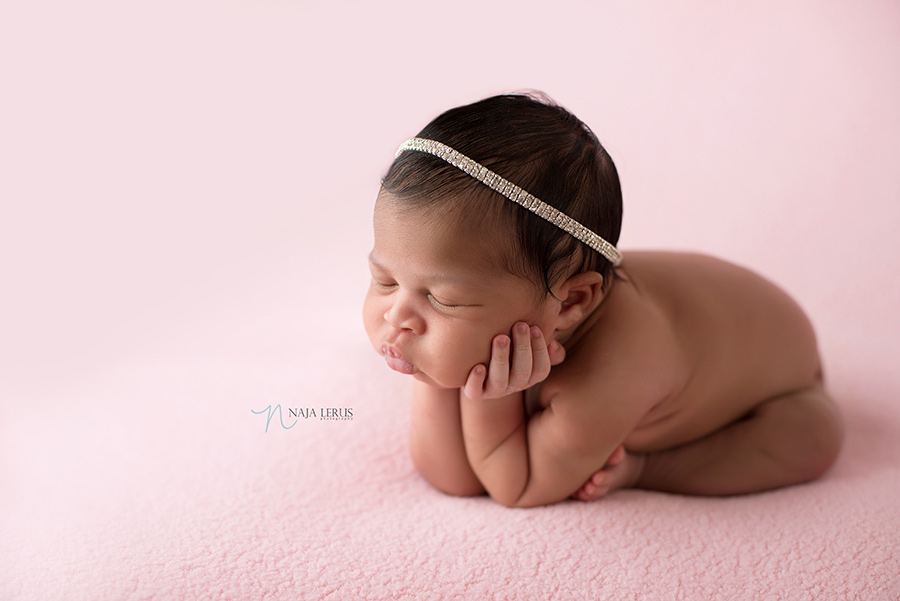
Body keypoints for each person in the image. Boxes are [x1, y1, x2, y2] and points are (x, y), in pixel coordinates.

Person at [362, 93, 843, 508]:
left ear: (571, 302)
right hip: (685, 314)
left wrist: (495, 398)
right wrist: (433, 373)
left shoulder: (613, 370)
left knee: (813, 440)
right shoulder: (514, 309)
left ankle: (646, 466)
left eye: (442, 299)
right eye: (384, 280)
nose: (397, 317)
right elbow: (452, 478)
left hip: (779, 387)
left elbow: (519, 486)